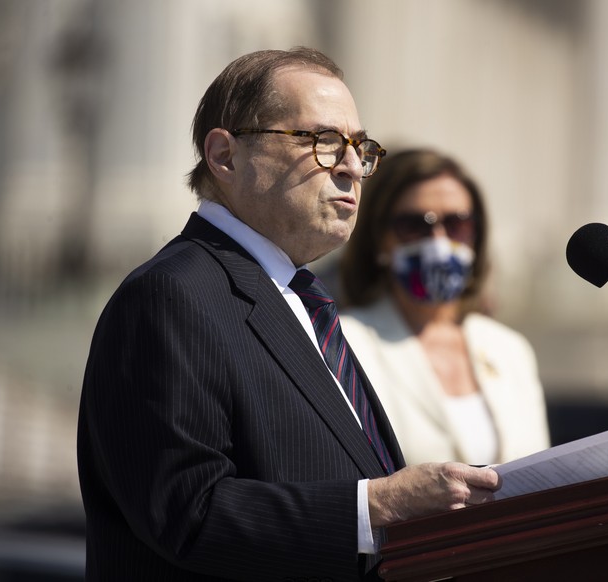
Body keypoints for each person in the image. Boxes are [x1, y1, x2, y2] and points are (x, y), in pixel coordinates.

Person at [76, 48, 500, 582]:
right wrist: (378, 505)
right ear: (225, 156)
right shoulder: (170, 296)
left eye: (360, 147)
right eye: (322, 141)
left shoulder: (301, 298)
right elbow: (187, 513)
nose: (351, 166)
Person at [338, 149, 550, 466]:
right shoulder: (343, 344)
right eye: (414, 225)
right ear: (379, 239)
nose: (438, 240)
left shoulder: (510, 350)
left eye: (457, 224)